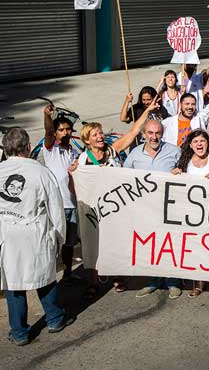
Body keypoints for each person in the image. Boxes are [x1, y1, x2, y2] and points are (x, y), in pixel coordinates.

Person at [75, 100, 159, 297]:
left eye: (100, 133)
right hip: (94, 210)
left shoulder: (111, 151)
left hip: (115, 207)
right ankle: (93, 282)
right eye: (95, 134)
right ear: (87, 140)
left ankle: (117, 276)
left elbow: (132, 133)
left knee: (115, 241)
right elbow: (77, 187)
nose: (100, 136)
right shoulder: (82, 160)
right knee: (93, 245)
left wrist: (146, 110)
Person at [1, 128, 68, 346]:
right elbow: (55, 208)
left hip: (7, 236)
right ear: (28, 147)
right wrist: (60, 237)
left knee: (13, 282)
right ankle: (55, 319)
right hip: (35, 233)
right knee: (45, 277)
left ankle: (19, 332)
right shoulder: (40, 172)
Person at [124, 120, 183, 299]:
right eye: (150, 133)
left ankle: (173, 281)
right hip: (145, 210)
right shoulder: (134, 154)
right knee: (149, 245)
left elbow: (186, 172)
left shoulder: (174, 151)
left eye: (157, 133)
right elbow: (123, 177)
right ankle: (153, 280)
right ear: (143, 134)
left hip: (168, 208)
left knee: (169, 244)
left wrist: (180, 171)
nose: (154, 137)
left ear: (162, 133)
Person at [172, 130, 209, 298]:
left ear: (207, 143)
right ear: (190, 145)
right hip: (192, 212)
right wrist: (175, 174)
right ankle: (199, 283)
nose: (200, 144)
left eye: (202, 141)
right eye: (196, 142)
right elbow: (177, 183)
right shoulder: (186, 161)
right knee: (195, 247)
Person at [42, 104, 79, 280]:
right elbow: (48, 133)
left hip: (73, 204)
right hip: (58, 205)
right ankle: (48, 278)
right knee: (55, 244)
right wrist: (47, 116)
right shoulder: (51, 149)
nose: (65, 132)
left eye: (68, 129)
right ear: (56, 133)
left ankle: (68, 274)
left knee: (69, 244)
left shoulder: (72, 150)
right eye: (61, 130)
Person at [161, 73, 209, 147]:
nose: (190, 107)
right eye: (187, 104)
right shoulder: (168, 122)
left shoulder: (199, 118)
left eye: (193, 104)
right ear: (180, 104)